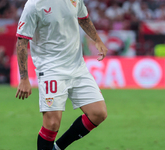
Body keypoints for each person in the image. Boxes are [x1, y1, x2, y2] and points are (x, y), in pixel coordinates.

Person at [15, 0, 108, 149]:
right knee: (52, 124)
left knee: (99, 113)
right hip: (51, 69)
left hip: (77, 67)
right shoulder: (34, 4)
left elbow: (83, 18)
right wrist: (24, 78)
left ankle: (57, 148)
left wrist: (97, 40)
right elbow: (22, 41)